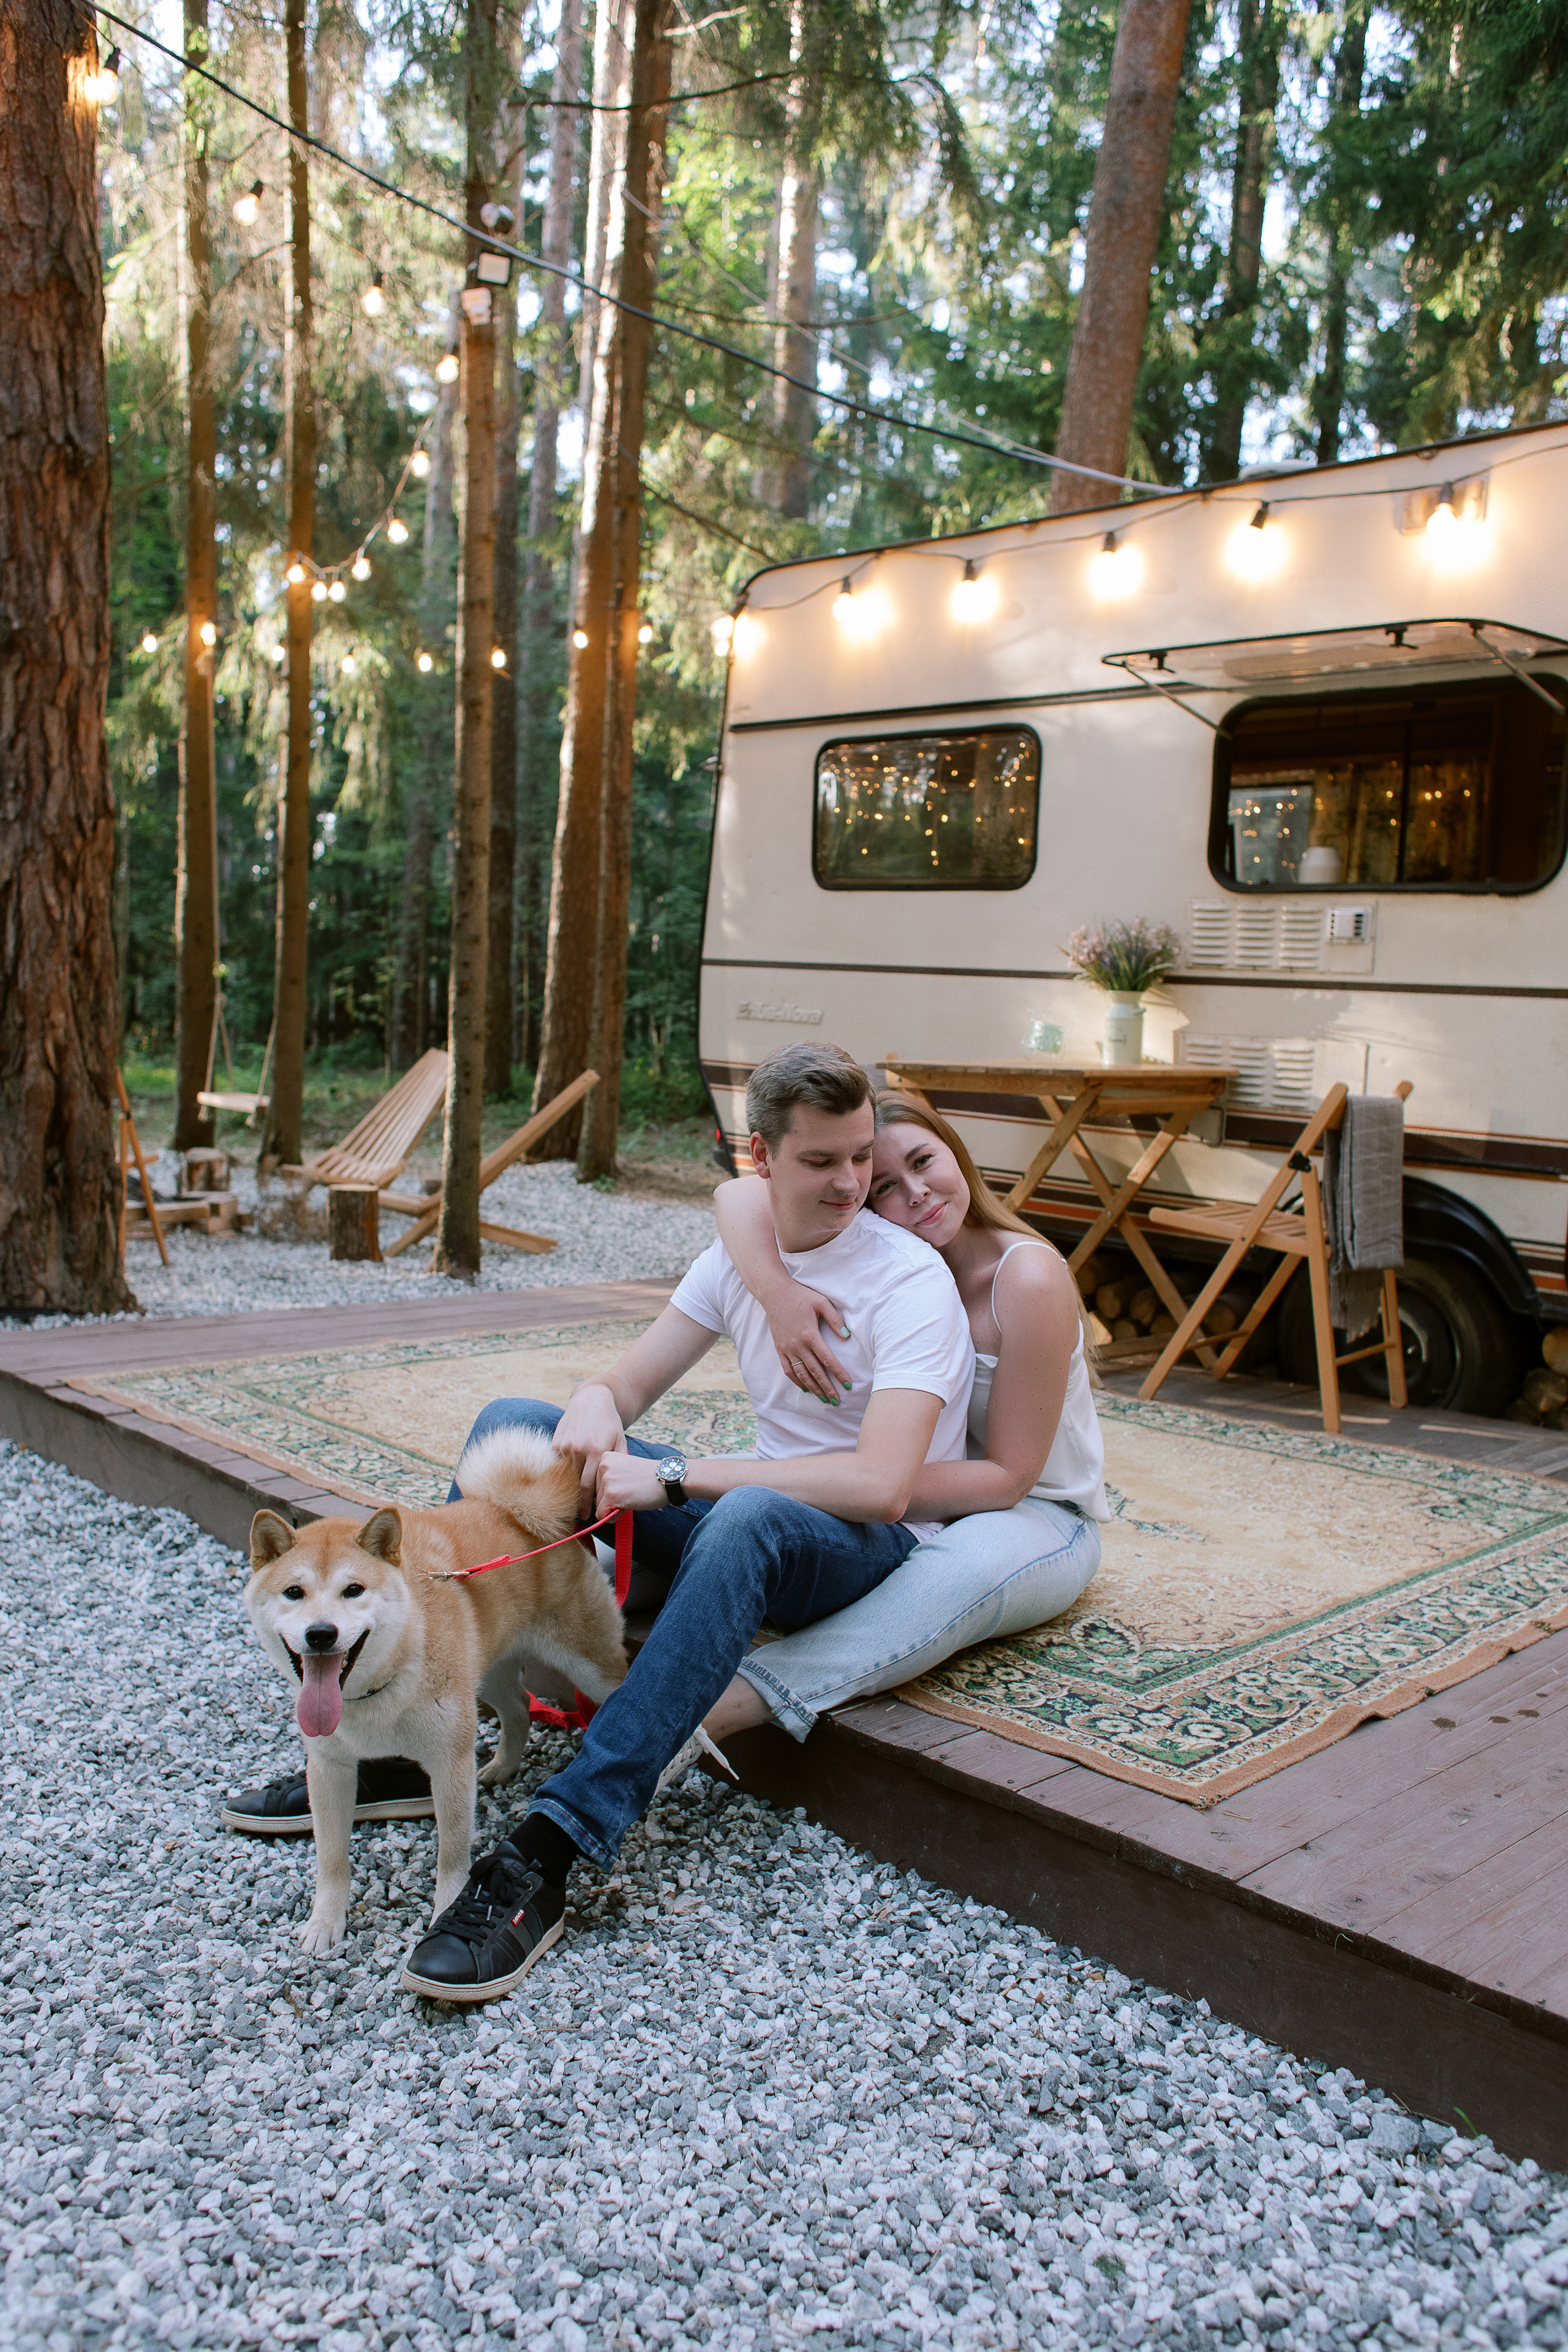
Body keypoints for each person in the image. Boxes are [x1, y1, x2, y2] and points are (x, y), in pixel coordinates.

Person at [385, 1041, 976, 2000]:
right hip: (752, 1510)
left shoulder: (911, 1283)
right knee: (512, 1425)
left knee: (744, 1514)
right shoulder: (739, 1258)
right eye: (822, 1161)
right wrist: (595, 1401)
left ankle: (558, 1840)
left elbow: (885, 1488)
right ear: (762, 1157)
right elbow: (629, 1378)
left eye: (861, 1157)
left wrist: (676, 1477)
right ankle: (434, 1712)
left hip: (856, 1543)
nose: (852, 1183)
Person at [694, 1090, 1105, 1751]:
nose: (915, 1193)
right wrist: (777, 1292)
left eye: (924, 1162)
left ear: (957, 1153)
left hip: (1036, 1512)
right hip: (913, 1497)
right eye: (884, 1184)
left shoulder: (1025, 1277)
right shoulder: (898, 1269)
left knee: (952, 1570)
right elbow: (736, 1197)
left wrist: (842, 1485)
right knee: (764, 1516)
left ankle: (741, 1699)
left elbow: (1007, 1478)